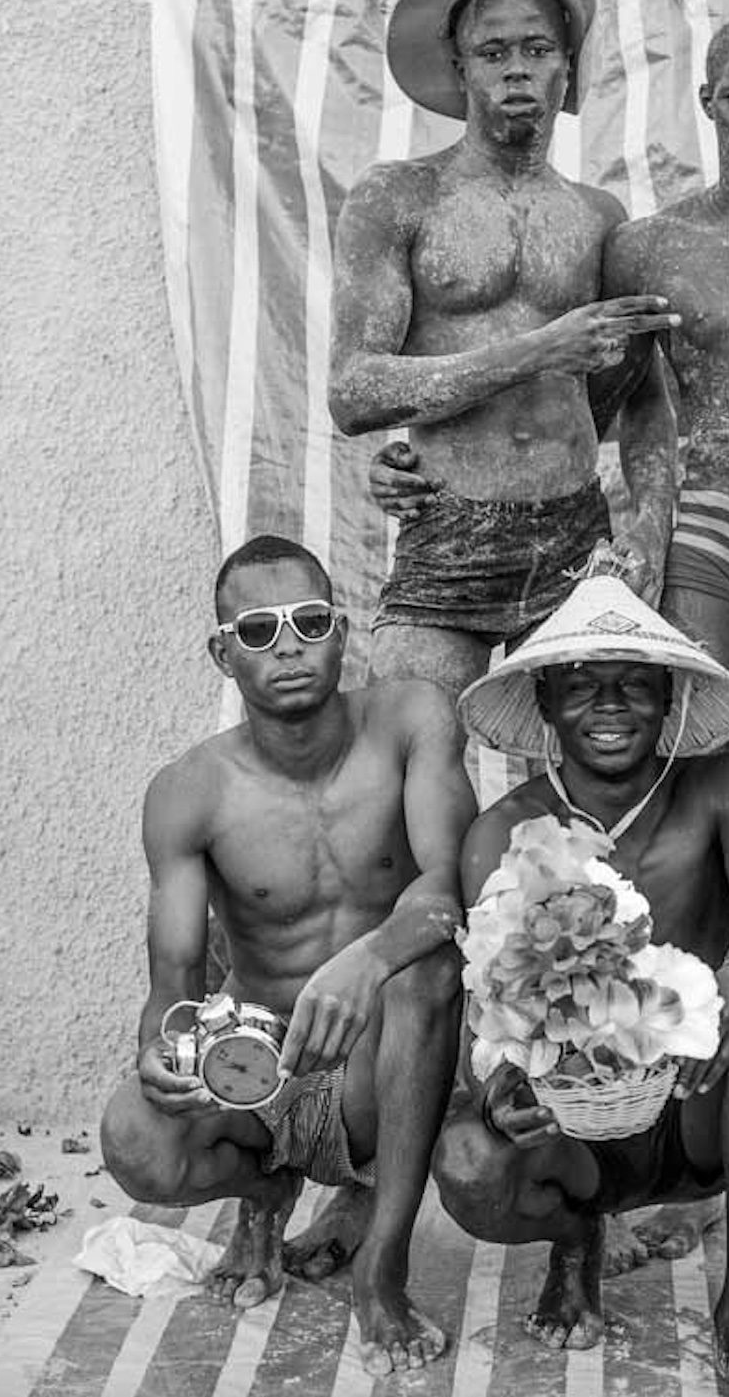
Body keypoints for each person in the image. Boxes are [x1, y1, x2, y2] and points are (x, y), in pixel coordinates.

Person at [374, 11, 729, 843]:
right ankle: (678, 973)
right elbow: (595, 400)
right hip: (708, 541)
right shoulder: (649, 246)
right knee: (685, 786)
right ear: (706, 102)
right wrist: (429, 454)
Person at [430, 549, 729, 1395]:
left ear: (670, 697)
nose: (609, 706)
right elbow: (483, 1008)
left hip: (693, 1106)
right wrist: (500, 1087)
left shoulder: (720, 788)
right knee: (466, 1162)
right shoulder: (505, 826)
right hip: (572, 1125)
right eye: (580, 684)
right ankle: (577, 1241)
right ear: (544, 703)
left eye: (634, 684)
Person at [97, 535, 475, 1372]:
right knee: (134, 1135)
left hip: (388, 1062)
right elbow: (174, 982)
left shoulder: (413, 719)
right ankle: (263, 1190)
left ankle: (381, 1261)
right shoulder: (187, 791)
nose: (289, 645)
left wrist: (369, 959)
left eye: (309, 621)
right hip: (258, 1059)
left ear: (343, 631)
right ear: (221, 652)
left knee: (429, 975)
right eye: (258, 630)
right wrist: (160, 1053)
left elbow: (452, 887)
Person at [326, 0, 680, 699]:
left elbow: (645, 397)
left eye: (537, 47)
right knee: (410, 755)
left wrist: (647, 529)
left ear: (567, 65)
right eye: (492, 51)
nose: (516, 67)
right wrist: (534, 352)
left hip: (572, 530)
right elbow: (352, 393)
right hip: (447, 523)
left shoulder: (596, 216)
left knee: (586, 779)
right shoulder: (398, 196)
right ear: (459, 67)